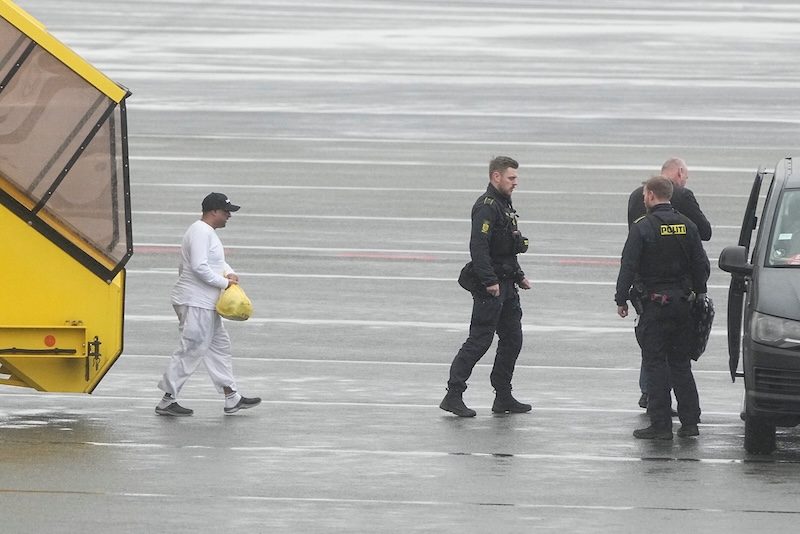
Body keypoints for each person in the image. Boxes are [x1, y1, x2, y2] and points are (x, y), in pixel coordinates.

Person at [615, 176, 709, 439]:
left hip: (655, 307)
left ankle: (660, 425)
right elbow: (700, 264)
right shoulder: (687, 225)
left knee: (656, 364)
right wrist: (700, 294)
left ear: (651, 195)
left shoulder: (642, 227)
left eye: (645, 195)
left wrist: (621, 299)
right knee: (680, 364)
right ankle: (690, 423)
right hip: (683, 305)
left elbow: (629, 266)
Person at [439, 156, 533, 417]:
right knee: (479, 340)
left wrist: (518, 275)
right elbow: (478, 247)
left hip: (506, 283)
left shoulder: (504, 205)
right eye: (511, 178)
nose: (516, 182)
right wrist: (489, 281)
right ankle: (453, 394)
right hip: (490, 287)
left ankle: (503, 395)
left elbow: (507, 248)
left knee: (513, 339)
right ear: (496, 177)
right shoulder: (487, 206)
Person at [155, 192, 262, 417]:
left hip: (205, 303)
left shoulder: (207, 233)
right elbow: (199, 267)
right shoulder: (200, 232)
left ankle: (231, 396)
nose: (229, 216)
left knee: (219, 347)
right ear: (213, 211)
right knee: (192, 348)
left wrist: (229, 272)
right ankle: (167, 400)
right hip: (195, 301)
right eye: (226, 211)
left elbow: (216, 260)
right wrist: (225, 283)